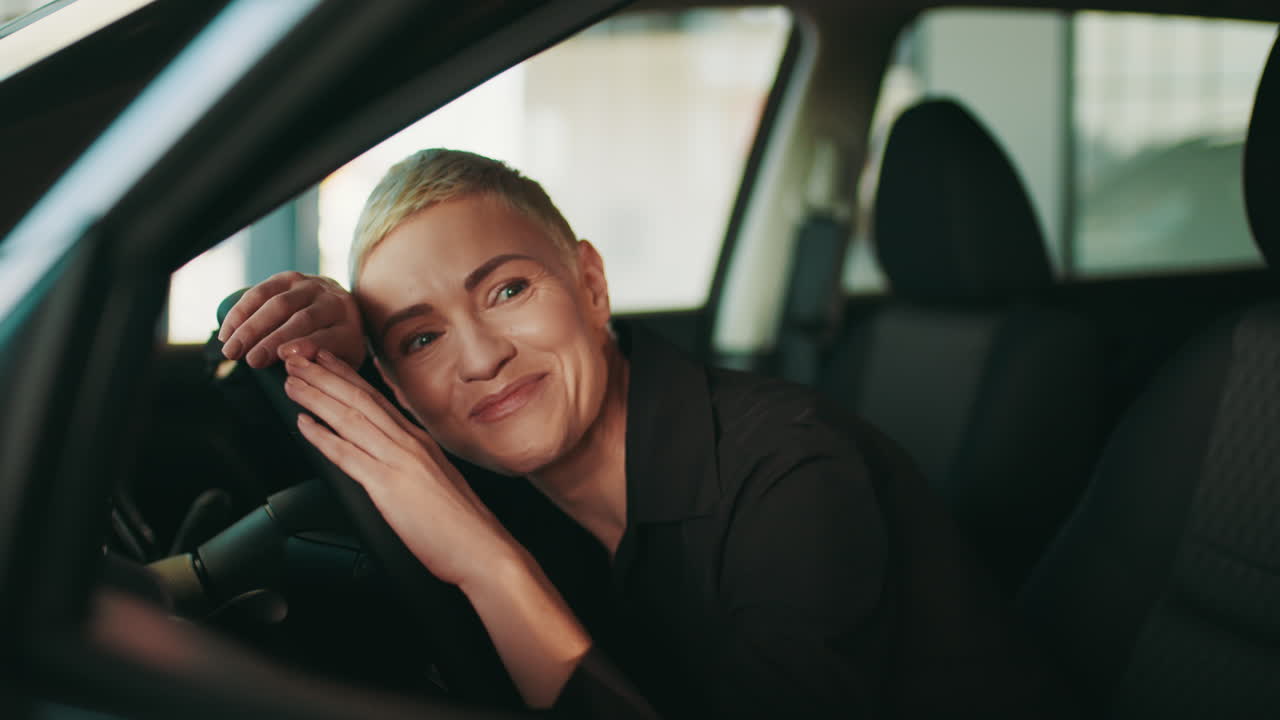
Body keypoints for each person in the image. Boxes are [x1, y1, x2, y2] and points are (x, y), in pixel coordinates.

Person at [217, 149, 1075, 718]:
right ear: (398, 386)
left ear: (590, 284)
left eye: (508, 290)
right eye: (421, 337)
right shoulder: (517, 462)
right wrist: (335, 335)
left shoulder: (796, 473)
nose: (480, 357)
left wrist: (488, 565)